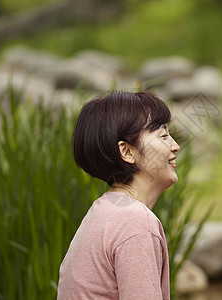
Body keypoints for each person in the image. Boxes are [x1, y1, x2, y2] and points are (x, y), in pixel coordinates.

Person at [58, 91, 180, 299]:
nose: (175, 146)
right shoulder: (135, 221)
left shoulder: (105, 211)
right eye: (163, 136)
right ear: (127, 152)